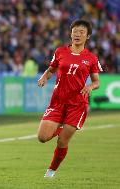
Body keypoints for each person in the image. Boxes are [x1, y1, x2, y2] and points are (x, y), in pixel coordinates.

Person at [37, 19, 102, 178]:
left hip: (77, 104)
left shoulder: (91, 58)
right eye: (75, 31)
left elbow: (97, 81)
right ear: (70, 33)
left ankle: (51, 171)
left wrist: (89, 87)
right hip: (58, 101)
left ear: (87, 36)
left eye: (81, 32)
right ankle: (60, 129)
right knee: (42, 137)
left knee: (62, 142)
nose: (77, 34)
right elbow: (52, 69)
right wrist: (45, 77)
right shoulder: (60, 51)